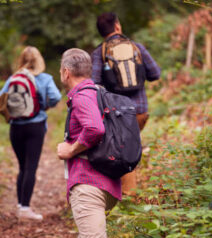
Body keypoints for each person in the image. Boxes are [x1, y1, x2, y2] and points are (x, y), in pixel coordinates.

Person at [91, 12, 161, 195]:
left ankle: (126, 199)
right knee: (128, 149)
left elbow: (94, 85)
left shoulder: (99, 53)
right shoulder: (137, 48)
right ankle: (128, 198)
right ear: (117, 26)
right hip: (139, 112)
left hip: (116, 115)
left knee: (120, 153)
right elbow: (155, 74)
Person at [57, 48, 121, 237]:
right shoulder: (98, 93)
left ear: (66, 72)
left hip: (88, 183)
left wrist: (71, 150)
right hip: (107, 182)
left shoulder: (82, 97)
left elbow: (95, 128)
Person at [0, 46, 61, 221]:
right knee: (31, 167)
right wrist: (44, 105)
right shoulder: (45, 79)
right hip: (35, 126)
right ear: (39, 60)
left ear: (21, 59)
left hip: (15, 127)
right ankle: (25, 208)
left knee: (22, 167)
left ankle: (19, 206)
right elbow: (56, 97)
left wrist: (11, 111)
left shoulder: (13, 78)